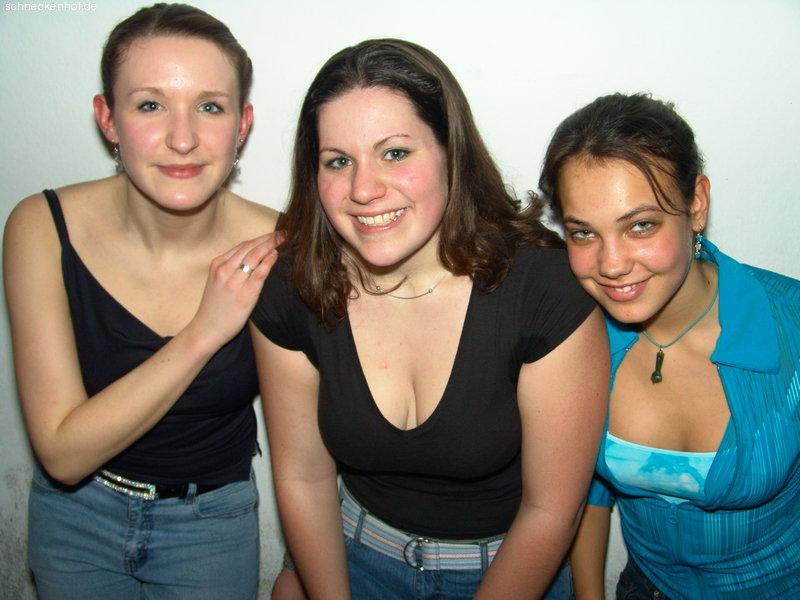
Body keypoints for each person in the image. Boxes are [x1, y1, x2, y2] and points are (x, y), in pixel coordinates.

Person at [250, 38, 609, 600]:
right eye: (338, 161)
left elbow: (550, 512)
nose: (364, 190)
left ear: (451, 153)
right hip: (354, 563)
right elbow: (303, 476)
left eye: (395, 153)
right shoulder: (294, 287)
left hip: (509, 574)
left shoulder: (543, 291)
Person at [3, 4, 280, 599]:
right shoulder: (40, 227)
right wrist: (205, 331)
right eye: (150, 105)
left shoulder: (283, 249)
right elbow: (63, 454)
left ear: (242, 124)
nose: (182, 139)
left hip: (212, 526)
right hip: (75, 519)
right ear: (108, 118)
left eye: (210, 107)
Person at [538, 92, 800, 599]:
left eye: (640, 225)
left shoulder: (789, 326)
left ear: (696, 204)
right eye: (584, 233)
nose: (612, 265)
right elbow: (585, 491)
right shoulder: (572, 336)